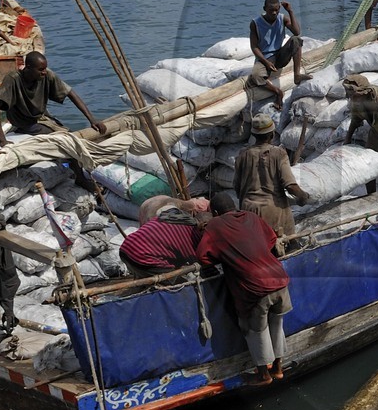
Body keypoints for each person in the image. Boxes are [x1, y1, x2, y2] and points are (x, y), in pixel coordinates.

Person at [197, 194, 293, 384]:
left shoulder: (215, 226)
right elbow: (271, 238)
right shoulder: (251, 217)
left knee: (256, 330)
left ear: (214, 213)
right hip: (278, 278)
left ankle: (263, 375)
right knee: (276, 324)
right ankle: (278, 368)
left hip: (255, 287)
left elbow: (203, 257)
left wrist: (226, 256)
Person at [0, 51, 105, 146]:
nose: (44, 72)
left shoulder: (46, 75)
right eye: (40, 69)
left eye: (45, 69)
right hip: (25, 123)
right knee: (67, 140)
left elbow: (70, 93)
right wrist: (2, 140)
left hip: (42, 118)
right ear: (28, 67)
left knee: (69, 134)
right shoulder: (13, 79)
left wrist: (92, 120)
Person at [235, 111, 309, 242]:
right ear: (272, 134)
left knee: (255, 249)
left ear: (253, 134)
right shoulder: (278, 154)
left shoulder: (243, 155)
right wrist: (302, 196)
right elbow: (290, 185)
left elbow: (236, 187)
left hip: (248, 211)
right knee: (282, 246)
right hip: (273, 211)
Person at [118, 196, 209, 277]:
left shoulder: (169, 217)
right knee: (176, 281)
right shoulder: (192, 235)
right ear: (203, 226)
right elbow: (194, 260)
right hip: (140, 255)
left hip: (125, 247)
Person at [247, 0, 308, 108]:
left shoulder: (282, 18)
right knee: (256, 76)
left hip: (279, 55)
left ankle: (297, 75)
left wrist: (290, 11)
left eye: (276, 10)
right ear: (264, 9)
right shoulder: (255, 23)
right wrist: (266, 62)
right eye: (271, 10)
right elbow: (254, 47)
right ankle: (277, 92)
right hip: (265, 57)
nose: (274, 13)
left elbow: (296, 31)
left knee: (296, 40)